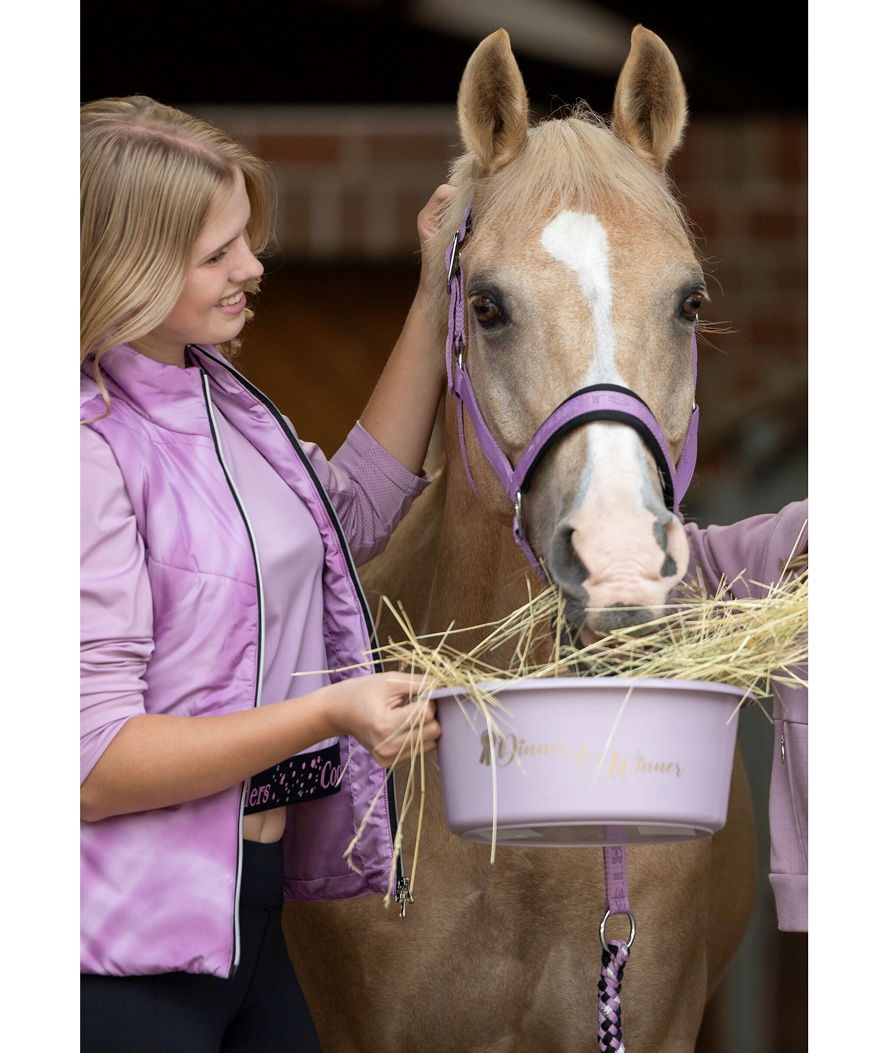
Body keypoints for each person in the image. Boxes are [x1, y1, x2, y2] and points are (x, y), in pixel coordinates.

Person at [80, 95, 448, 1051]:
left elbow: (345, 521)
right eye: (217, 254)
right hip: (116, 946)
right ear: (125, 266)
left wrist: (435, 293)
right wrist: (331, 711)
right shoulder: (79, 450)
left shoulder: (223, 402)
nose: (253, 267)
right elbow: (89, 765)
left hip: (251, 914)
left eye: (248, 238)